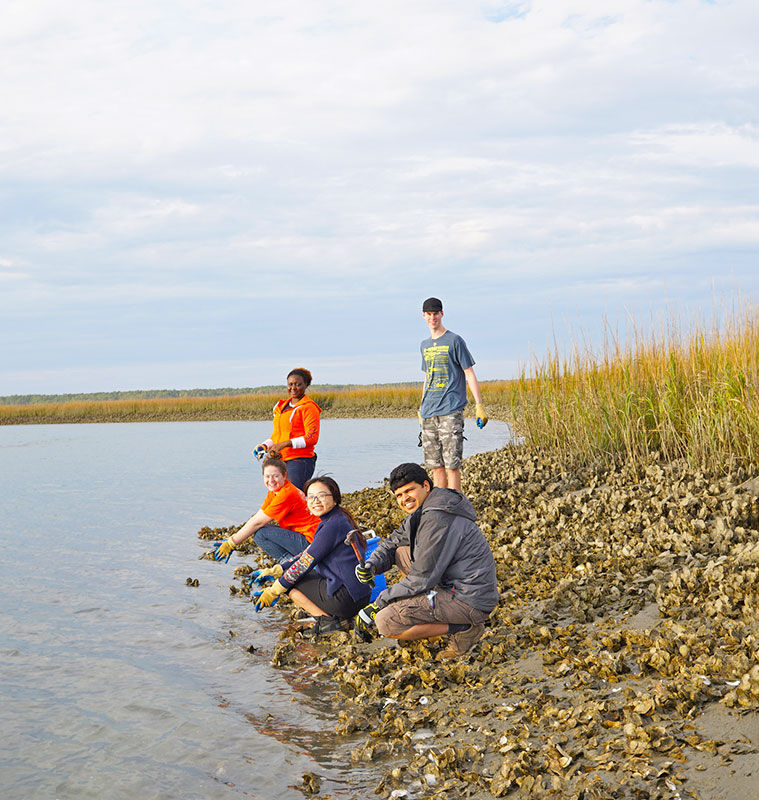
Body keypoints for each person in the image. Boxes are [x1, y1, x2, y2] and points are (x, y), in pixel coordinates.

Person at [354, 462, 498, 659]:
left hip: (469, 598)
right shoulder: (426, 509)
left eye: (409, 490)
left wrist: (378, 603)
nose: (405, 499)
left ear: (426, 486)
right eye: (399, 495)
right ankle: (427, 610)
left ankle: (464, 628)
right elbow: (393, 541)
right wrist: (372, 565)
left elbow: (422, 579)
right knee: (401, 551)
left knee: (385, 621)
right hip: (452, 585)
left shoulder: (436, 517)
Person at [250, 476, 372, 636]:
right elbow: (308, 553)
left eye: (322, 495)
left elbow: (305, 563)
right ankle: (335, 616)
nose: (316, 501)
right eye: (311, 497)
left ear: (335, 498)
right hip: (360, 595)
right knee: (290, 575)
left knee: (291, 583)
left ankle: (327, 622)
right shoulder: (337, 519)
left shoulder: (332, 526)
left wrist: (274, 590)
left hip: (347, 600)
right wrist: (276, 570)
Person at [418, 297, 488, 491]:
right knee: (435, 465)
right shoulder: (424, 345)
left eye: (436, 313)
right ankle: (441, 504)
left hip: (450, 409)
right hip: (428, 411)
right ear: (423, 316)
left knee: (452, 464)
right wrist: (421, 407)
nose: (433, 317)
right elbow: (427, 377)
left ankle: (455, 503)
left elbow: (469, 374)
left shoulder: (455, 340)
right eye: (429, 314)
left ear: (442, 314)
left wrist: (479, 405)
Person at [213, 458, 320, 562]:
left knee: (261, 534)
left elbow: (258, 523)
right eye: (267, 476)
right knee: (261, 530)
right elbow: (257, 517)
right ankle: (292, 563)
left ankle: (290, 564)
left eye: (275, 476)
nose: (271, 481)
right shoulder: (275, 491)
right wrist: (232, 538)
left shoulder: (286, 494)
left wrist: (232, 543)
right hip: (307, 536)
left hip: (311, 542)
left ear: (284, 476)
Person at [253, 368, 321, 490]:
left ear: (306, 385)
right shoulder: (279, 407)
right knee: (280, 494)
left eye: (298, 384)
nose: (293, 388)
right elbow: (277, 436)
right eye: (290, 384)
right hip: (281, 459)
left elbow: (312, 438)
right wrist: (264, 446)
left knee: (295, 495)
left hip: (300, 460)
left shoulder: (309, 408)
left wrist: (285, 444)